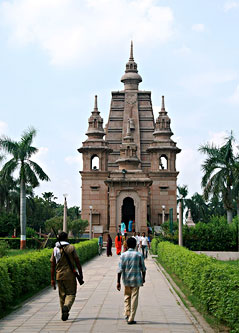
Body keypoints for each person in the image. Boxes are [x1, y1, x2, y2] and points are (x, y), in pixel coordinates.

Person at [50, 232, 83, 321]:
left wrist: (52, 279)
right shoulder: (71, 248)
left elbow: (52, 265)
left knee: (62, 295)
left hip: (59, 275)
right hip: (70, 275)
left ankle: (63, 313)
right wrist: (80, 274)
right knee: (71, 294)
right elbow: (77, 262)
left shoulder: (55, 249)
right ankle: (67, 307)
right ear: (66, 238)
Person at [117, 237, 146, 325]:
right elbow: (143, 269)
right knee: (134, 298)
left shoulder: (123, 255)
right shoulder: (139, 255)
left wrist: (118, 281)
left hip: (126, 280)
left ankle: (127, 312)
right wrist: (143, 278)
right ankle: (131, 318)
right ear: (135, 245)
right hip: (136, 280)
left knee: (127, 297)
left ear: (127, 245)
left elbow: (119, 270)